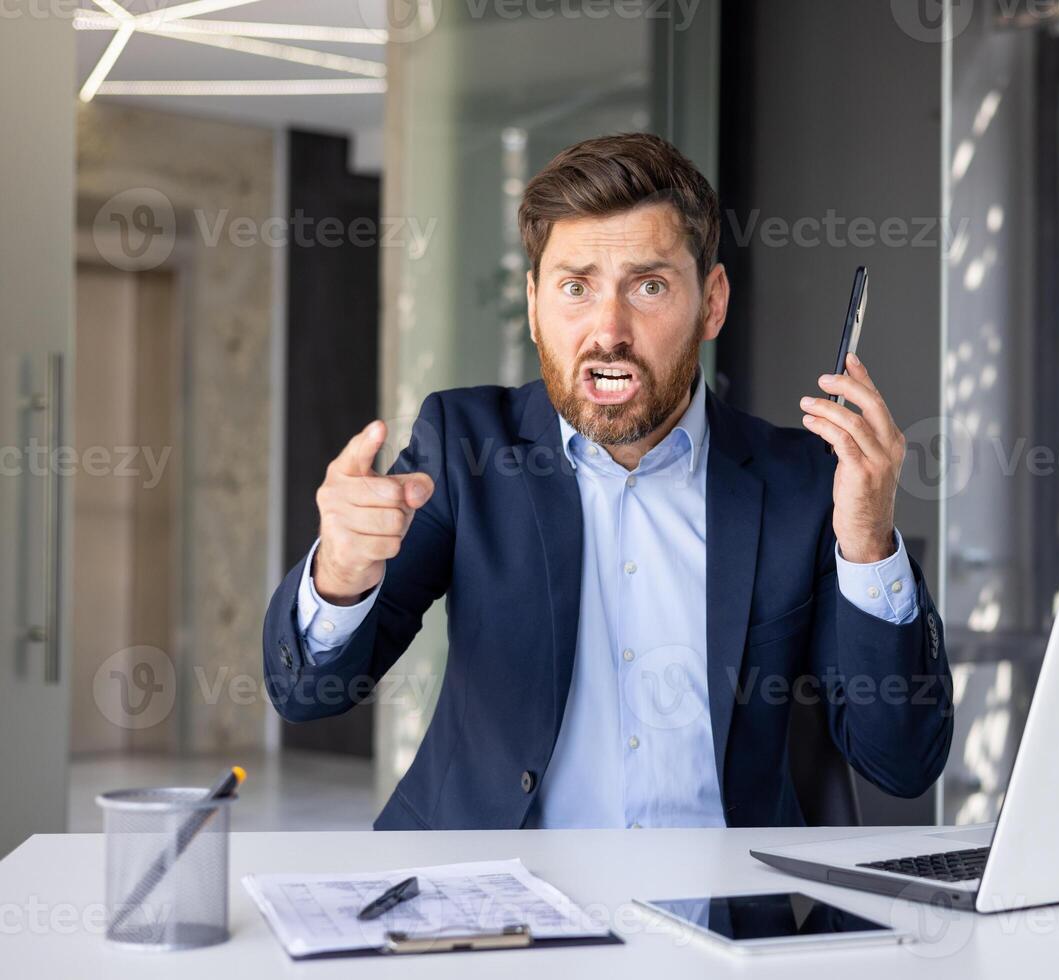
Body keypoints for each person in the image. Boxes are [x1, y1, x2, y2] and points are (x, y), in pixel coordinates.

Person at [262, 133, 952, 830]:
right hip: (492, 908)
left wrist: (869, 544)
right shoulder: (465, 448)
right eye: (575, 287)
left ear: (712, 304)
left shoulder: (802, 485)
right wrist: (341, 576)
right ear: (534, 307)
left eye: (649, 286)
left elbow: (902, 761)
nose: (608, 330)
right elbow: (307, 694)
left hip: (720, 920)